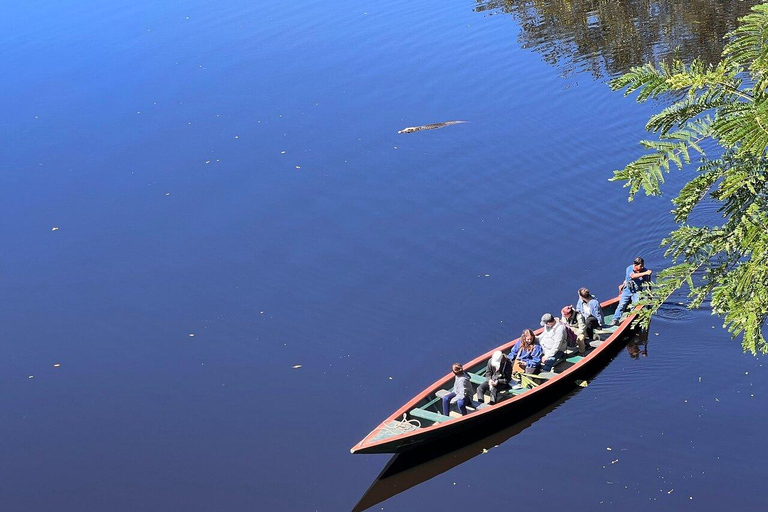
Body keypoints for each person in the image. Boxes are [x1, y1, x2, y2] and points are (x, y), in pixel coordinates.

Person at [612, 257, 652, 325]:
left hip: (637, 292)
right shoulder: (629, 269)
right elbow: (633, 276)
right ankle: (615, 319)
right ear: (635, 265)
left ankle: (630, 320)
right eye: (641, 266)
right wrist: (645, 273)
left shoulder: (644, 271)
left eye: (643, 265)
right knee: (621, 305)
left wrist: (649, 293)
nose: (642, 267)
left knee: (635, 307)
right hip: (627, 290)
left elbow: (648, 283)